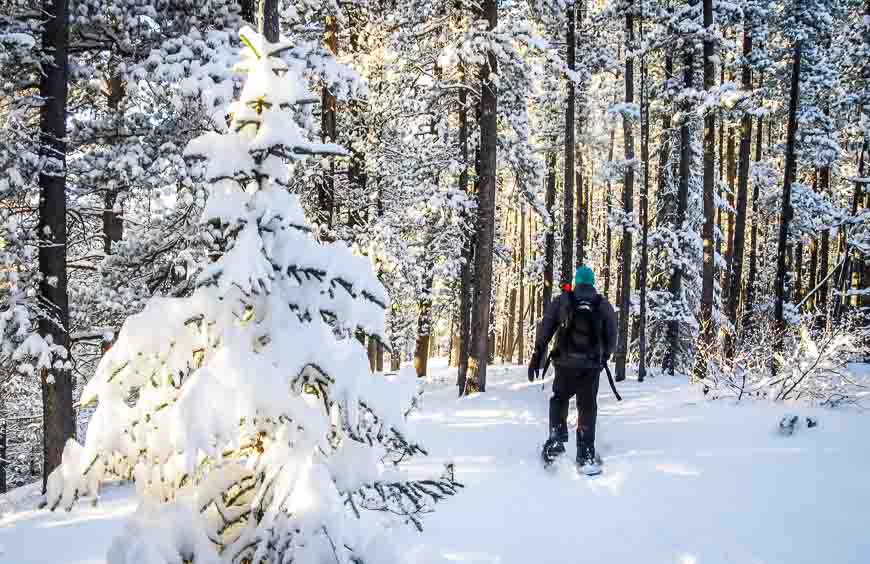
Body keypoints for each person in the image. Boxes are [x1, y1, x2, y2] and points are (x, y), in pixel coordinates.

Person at [528, 265, 617, 473]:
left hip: (565, 363)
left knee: (559, 398)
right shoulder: (602, 304)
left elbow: (546, 328)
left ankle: (556, 443)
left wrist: (537, 356)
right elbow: (612, 336)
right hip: (590, 366)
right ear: (592, 282)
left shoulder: (563, 301)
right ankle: (585, 454)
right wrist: (604, 357)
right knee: (587, 406)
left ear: (576, 281)